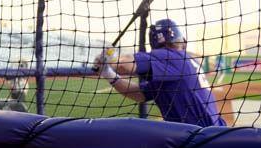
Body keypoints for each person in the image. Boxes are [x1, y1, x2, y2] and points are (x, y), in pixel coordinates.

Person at [94, 18, 226, 127]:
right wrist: (108, 73)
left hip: (198, 139)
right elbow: (139, 94)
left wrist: (110, 57)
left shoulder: (170, 57)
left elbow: (123, 65)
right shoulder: (182, 61)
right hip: (211, 132)